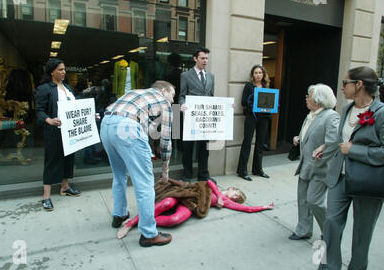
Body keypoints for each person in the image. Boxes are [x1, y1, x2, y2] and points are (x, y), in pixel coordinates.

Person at [318, 66, 384, 270]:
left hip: (367, 180)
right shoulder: (346, 109)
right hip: (339, 176)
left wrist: (355, 151)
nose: (342, 87)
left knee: (363, 232)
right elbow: (342, 140)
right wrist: (326, 146)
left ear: (359, 84)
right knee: (331, 223)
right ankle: (328, 267)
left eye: (345, 83)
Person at [100, 80, 175, 247]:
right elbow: (165, 140)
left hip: (106, 123)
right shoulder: (164, 103)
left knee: (119, 176)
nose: (173, 101)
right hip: (127, 127)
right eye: (172, 96)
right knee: (145, 184)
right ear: (164, 91)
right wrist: (165, 170)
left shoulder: (136, 93)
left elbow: (144, 125)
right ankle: (149, 234)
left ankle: (119, 214)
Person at [117, 179, 274, 239]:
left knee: (175, 219)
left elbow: (246, 209)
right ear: (231, 188)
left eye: (237, 198)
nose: (235, 198)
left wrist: (264, 207)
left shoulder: (225, 202)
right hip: (187, 193)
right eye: (236, 194)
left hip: (191, 205)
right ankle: (131, 223)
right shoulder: (217, 189)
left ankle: (143, 222)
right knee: (166, 204)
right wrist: (218, 194)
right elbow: (208, 181)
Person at [289, 84, 339, 241]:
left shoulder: (331, 116)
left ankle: (329, 231)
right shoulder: (311, 114)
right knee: (302, 200)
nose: (306, 98)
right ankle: (303, 230)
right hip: (305, 164)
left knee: (314, 201)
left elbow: (333, 141)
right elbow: (309, 134)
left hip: (320, 166)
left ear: (319, 99)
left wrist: (321, 154)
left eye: (309, 95)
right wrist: (299, 139)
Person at [34, 59, 81, 212]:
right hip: (54, 131)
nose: (64, 72)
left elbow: (76, 108)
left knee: (68, 159)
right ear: (52, 71)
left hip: (70, 132)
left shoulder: (68, 88)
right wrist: (48, 120)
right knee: (52, 161)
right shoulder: (45, 89)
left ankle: (65, 187)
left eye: (64, 69)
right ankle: (46, 196)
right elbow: (39, 110)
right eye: (60, 69)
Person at [179, 46, 215, 183]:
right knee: (188, 148)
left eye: (206, 58)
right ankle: (187, 175)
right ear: (195, 59)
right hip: (190, 118)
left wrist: (225, 107)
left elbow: (212, 97)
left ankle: (203, 174)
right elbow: (181, 95)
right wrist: (182, 105)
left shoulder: (211, 76)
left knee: (204, 148)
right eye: (202, 58)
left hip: (205, 118)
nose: (205, 61)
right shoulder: (186, 75)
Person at [237, 65, 271, 181]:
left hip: (264, 118)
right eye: (256, 73)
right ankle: (242, 170)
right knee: (247, 142)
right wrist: (253, 104)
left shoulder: (266, 86)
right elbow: (243, 102)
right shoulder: (248, 86)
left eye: (260, 73)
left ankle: (258, 169)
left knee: (260, 143)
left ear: (263, 74)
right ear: (252, 75)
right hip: (251, 116)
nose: (258, 75)